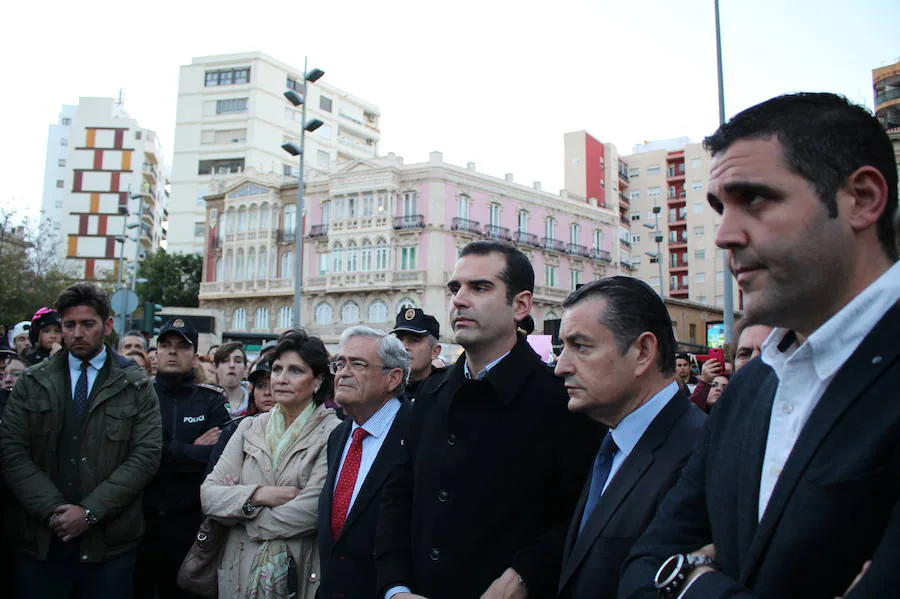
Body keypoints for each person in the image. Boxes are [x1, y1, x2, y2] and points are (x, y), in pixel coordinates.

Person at [619, 92, 900, 599]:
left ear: (861, 198)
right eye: (718, 207)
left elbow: (665, 571)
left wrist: (690, 580)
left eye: (755, 200)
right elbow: (641, 568)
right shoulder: (748, 390)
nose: (724, 234)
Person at [376, 240, 600, 599]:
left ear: (521, 304)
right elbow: (397, 498)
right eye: (455, 288)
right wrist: (395, 587)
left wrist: (526, 573)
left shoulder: (563, 402)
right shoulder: (429, 397)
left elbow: (585, 513)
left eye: (480, 287)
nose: (460, 299)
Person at [0, 282, 162, 599]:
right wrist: (53, 511)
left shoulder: (136, 384)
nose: (77, 333)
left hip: (110, 547)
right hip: (42, 543)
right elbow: (12, 452)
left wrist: (89, 513)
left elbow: (145, 456)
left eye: (87, 324)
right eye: (69, 325)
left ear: (107, 326)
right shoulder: (33, 381)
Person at [553, 277, 706, 599]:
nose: (561, 366)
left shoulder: (700, 453)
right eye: (561, 348)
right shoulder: (609, 441)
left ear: (643, 352)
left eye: (580, 346)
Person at [202, 330, 340, 599]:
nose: (281, 379)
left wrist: (240, 512)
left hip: (298, 570)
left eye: (295, 370)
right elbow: (209, 496)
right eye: (277, 369)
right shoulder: (248, 427)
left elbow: (312, 510)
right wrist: (258, 495)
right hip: (238, 569)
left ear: (318, 380)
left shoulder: (333, 432)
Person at [134, 318, 230, 599]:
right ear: (156, 353)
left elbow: (217, 457)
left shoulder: (210, 399)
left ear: (194, 354)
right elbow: (138, 455)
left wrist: (165, 450)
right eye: (166, 345)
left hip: (191, 524)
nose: (173, 352)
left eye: (181, 346)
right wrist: (190, 448)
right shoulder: (140, 398)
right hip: (142, 523)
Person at [318, 326, 412, 599]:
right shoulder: (339, 434)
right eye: (340, 363)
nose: (343, 373)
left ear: (393, 378)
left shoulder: (419, 433)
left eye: (357, 364)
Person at [205, 359, 275, 475]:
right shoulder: (233, 429)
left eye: (273, 385)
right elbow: (213, 481)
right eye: (260, 386)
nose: (267, 392)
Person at [390, 308, 445, 401]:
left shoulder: (445, 392)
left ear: (434, 352)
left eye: (414, 340)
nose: (404, 347)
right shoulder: (384, 388)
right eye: (400, 339)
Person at [214, 342, 250, 416]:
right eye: (225, 361)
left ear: (246, 368)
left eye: (238, 361)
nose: (231, 365)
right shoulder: (204, 401)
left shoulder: (255, 402)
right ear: (215, 367)